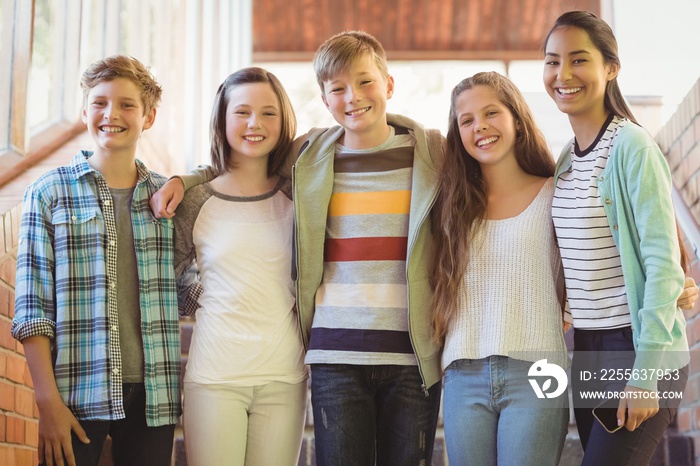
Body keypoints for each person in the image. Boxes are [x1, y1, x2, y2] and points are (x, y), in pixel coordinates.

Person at [151, 31, 445, 466]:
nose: (353, 97)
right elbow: (236, 164)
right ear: (325, 100)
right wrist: (185, 180)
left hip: (389, 356)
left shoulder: (422, 154)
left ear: (388, 84)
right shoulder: (302, 162)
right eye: (338, 89)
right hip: (322, 353)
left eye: (365, 82)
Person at [11, 55, 180, 466]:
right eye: (100, 102)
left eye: (126, 104)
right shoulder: (48, 193)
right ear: (84, 111)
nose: (111, 114)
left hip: (155, 396)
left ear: (149, 117)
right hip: (76, 392)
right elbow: (32, 308)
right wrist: (46, 400)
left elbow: (191, 286)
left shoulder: (167, 199)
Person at [544, 11, 691, 465]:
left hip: (637, 348)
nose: (563, 74)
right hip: (587, 347)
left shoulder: (632, 146)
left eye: (578, 60)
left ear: (611, 68)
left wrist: (646, 375)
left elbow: (663, 263)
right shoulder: (566, 160)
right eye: (552, 61)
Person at [431, 71, 570, 466]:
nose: (481, 127)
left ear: (516, 119)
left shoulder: (556, 193)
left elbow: (600, 257)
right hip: (463, 374)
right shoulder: (451, 208)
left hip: (540, 370)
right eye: (467, 120)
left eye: (491, 113)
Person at [173, 67, 307, 466]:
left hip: (284, 378)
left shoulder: (298, 194)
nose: (255, 124)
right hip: (214, 378)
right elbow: (169, 280)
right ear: (222, 119)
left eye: (269, 113)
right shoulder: (195, 198)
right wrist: (203, 296)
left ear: (283, 122)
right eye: (242, 112)